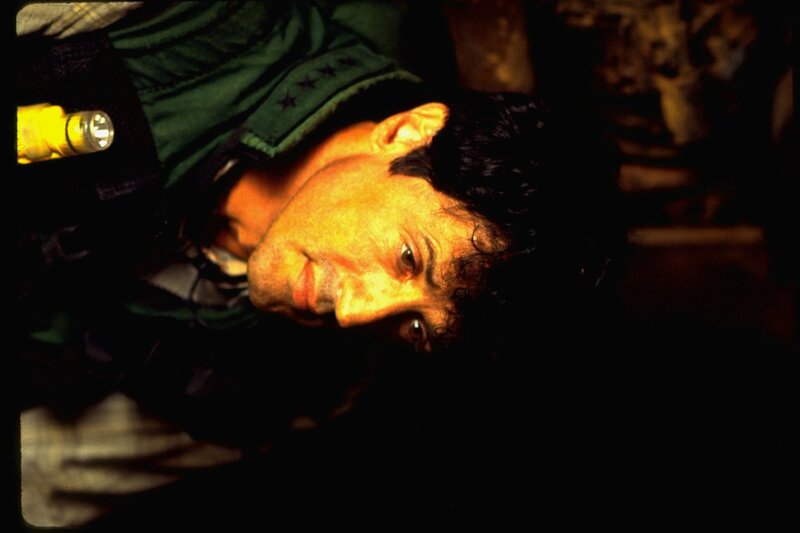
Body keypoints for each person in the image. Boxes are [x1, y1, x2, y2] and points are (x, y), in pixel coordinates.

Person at [17, 1, 621, 524]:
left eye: (416, 328)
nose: (357, 315)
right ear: (409, 132)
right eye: (408, 258)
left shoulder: (292, 389)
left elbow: (41, 473)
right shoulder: (185, 26)